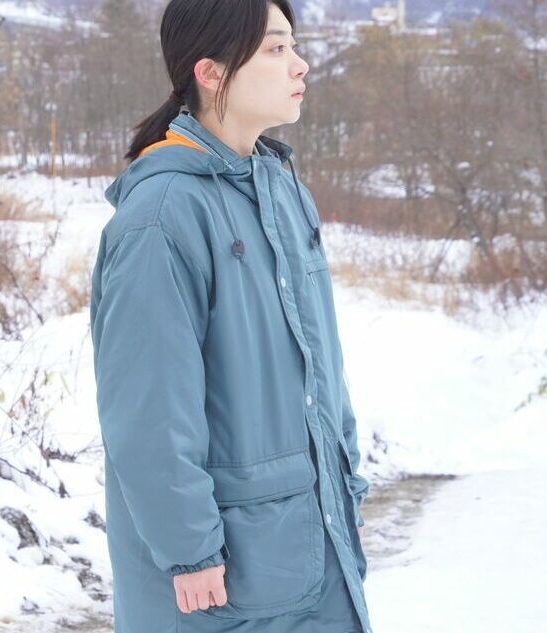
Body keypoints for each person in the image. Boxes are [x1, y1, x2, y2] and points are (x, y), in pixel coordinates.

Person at [89, 1, 373, 632]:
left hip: (313, 544)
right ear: (211, 72)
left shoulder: (283, 192)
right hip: (221, 581)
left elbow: (322, 367)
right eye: (275, 49)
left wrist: (345, 484)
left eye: (293, 45)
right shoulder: (162, 215)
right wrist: (188, 547)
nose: (299, 64)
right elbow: (148, 407)